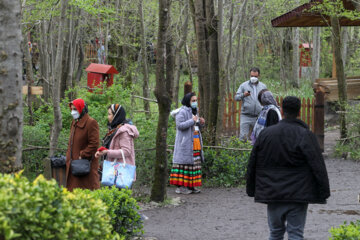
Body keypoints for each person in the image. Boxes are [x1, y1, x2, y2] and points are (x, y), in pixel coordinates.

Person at [246, 96, 330, 240]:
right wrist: (324, 191)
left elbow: (253, 162)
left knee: (275, 232)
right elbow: (317, 165)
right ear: (299, 112)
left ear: (282, 111)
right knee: (296, 233)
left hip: (272, 192)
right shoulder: (305, 135)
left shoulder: (266, 134)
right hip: (298, 193)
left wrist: (251, 188)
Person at [170, 92, 205, 194]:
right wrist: (192, 120)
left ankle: (192, 186)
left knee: (194, 163)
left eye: (196, 100)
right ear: (187, 101)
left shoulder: (195, 111)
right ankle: (181, 187)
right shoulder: (181, 112)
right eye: (193, 101)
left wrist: (201, 122)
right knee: (184, 164)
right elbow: (180, 125)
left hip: (195, 141)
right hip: (185, 143)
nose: (195, 102)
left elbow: (196, 125)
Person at [95, 104, 139, 182]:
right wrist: (102, 152)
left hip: (121, 174)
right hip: (113, 172)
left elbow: (126, 151)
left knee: (119, 193)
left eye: (109, 114)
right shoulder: (114, 129)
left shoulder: (124, 131)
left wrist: (107, 152)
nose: (108, 117)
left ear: (116, 115)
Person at [66, 98, 100, 191]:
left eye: (75, 109)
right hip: (73, 165)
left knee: (86, 192)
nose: (73, 112)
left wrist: (83, 154)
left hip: (84, 165)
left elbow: (94, 143)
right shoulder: (74, 122)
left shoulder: (91, 122)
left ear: (82, 109)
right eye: (72, 109)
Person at [235, 67, 267, 141]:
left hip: (259, 116)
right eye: (252, 76)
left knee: (259, 137)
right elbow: (236, 97)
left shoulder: (263, 86)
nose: (253, 78)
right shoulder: (243, 85)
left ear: (259, 76)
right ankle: (242, 151)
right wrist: (243, 95)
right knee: (243, 138)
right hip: (246, 115)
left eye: (255, 76)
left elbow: (266, 99)